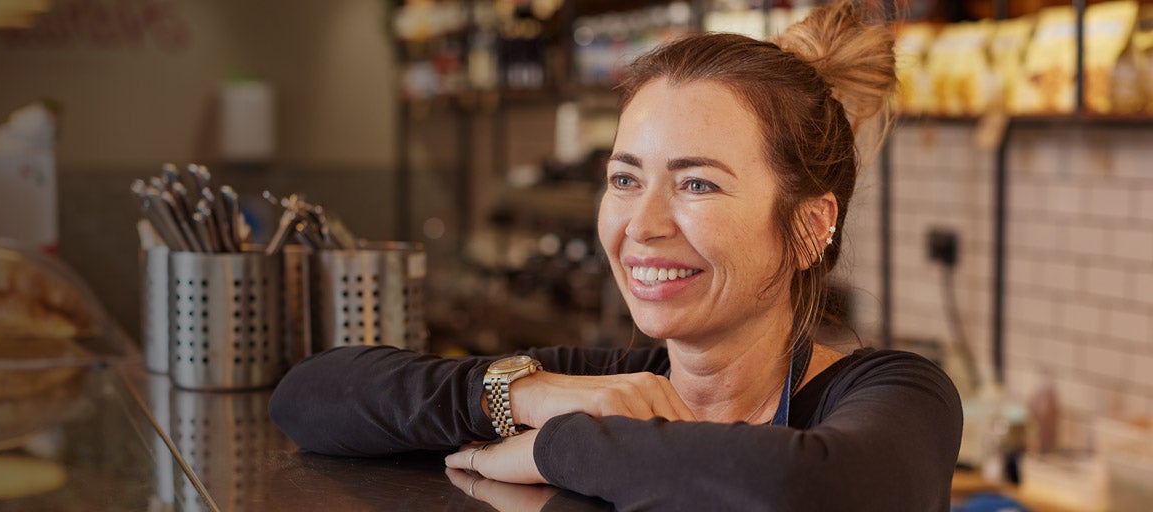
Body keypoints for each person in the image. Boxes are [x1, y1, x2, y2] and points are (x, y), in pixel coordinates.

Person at [270, 2, 963, 510]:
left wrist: (555, 446)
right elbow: (311, 397)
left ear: (811, 226)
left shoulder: (895, 395)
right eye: (625, 180)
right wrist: (525, 394)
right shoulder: (606, 386)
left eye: (697, 184)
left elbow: (806, 488)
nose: (642, 225)